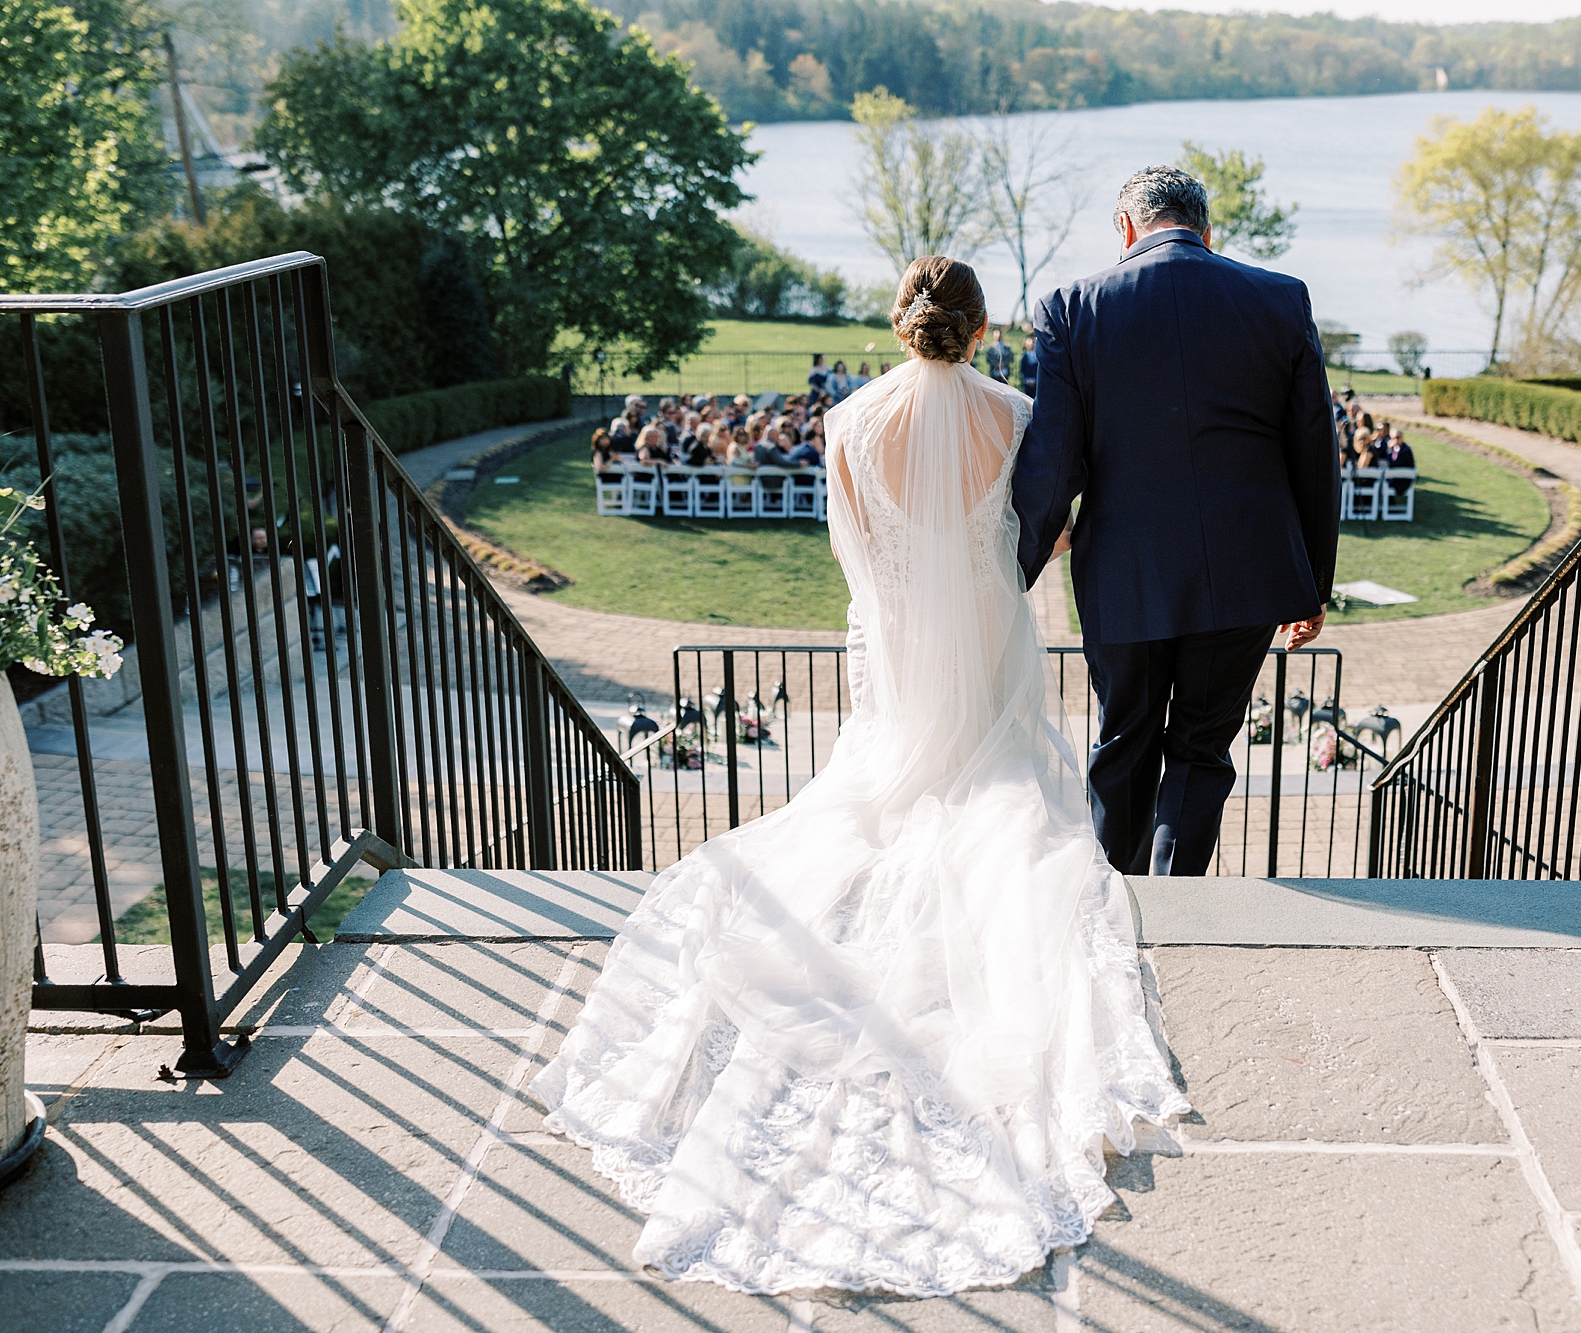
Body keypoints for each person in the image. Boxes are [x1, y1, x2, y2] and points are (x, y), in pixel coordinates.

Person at [537, 254, 1187, 1297]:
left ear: (900, 328)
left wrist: (892, 622)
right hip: (984, 633)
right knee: (1004, 794)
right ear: (978, 332)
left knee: (880, 797)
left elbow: (854, 556)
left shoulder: (847, 425)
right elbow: (1037, 530)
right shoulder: (1016, 414)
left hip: (894, 635)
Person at [1012, 165, 1338, 878]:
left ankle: (1113, 902)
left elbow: (1054, 458)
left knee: (1124, 738)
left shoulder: (1071, 306)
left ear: (1125, 229)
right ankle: (1174, 904)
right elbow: (1316, 446)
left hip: (1125, 575)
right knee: (1199, 749)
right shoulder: (1281, 300)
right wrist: (1312, 582)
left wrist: (1015, 564)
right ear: (1206, 229)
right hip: (1246, 575)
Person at [1019, 333, 1039, 397]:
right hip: (1027, 381)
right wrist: (1027, 379)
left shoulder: (1038, 356)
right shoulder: (1025, 356)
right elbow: (1023, 368)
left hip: (1036, 381)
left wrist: (1035, 380)